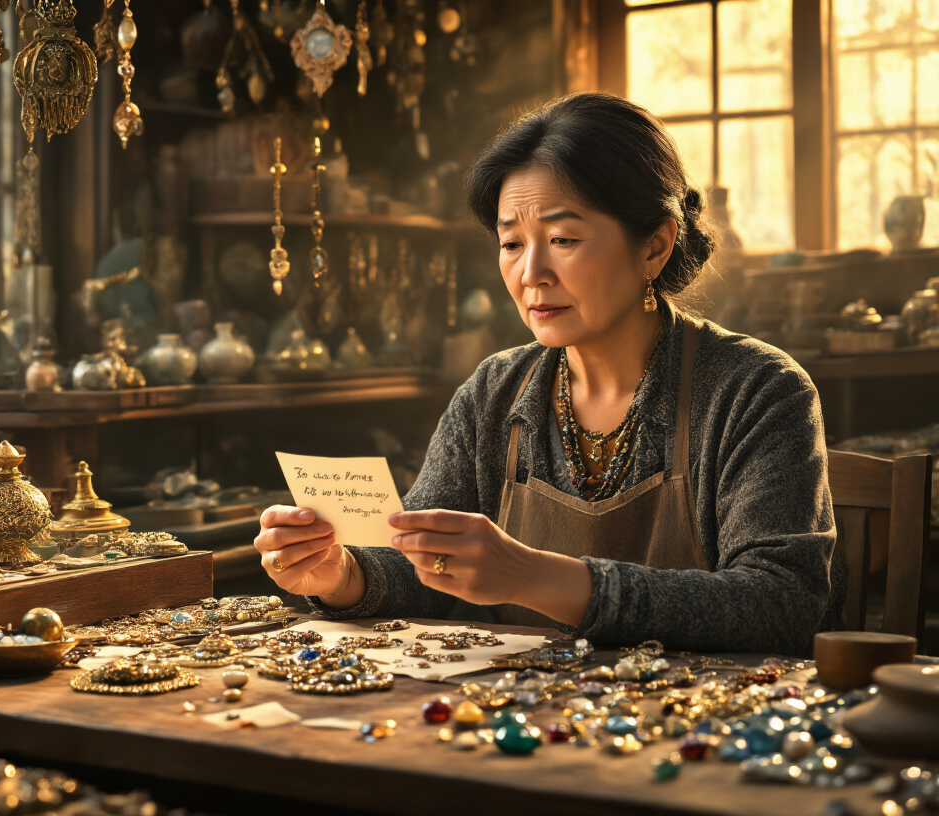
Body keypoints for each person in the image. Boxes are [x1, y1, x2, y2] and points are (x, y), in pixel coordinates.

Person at [252, 93, 843, 655]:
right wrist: (341, 574)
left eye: (562, 239)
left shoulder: (757, 390)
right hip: (520, 723)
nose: (531, 273)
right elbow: (423, 570)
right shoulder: (495, 392)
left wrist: (531, 575)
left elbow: (781, 605)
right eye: (511, 243)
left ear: (654, 248)